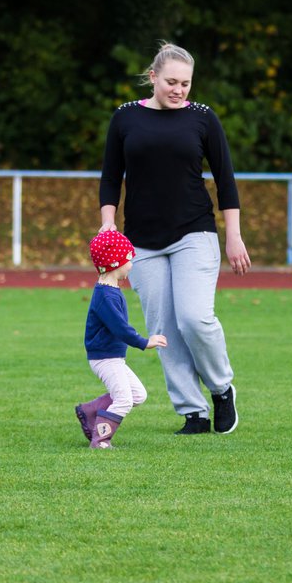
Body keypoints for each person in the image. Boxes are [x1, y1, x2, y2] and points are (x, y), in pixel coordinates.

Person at [98, 41, 251, 436]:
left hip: (194, 231)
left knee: (194, 318)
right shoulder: (125, 118)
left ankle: (220, 388)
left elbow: (226, 180)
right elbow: (111, 177)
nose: (179, 90)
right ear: (153, 77)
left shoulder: (203, 118)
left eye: (185, 83)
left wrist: (233, 236)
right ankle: (193, 411)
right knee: (163, 328)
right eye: (171, 82)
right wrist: (108, 223)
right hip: (142, 242)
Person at [75, 229, 168, 449]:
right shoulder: (106, 296)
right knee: (124, 400)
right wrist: (145, 342)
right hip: (105, 358)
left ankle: (89, 411)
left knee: (138, 394)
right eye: (129, 259)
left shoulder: (111, 290)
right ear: (115, 262)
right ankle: (101, 440)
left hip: (113, 357)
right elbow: (120, 329)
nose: (132, 265)